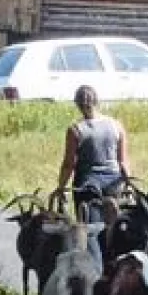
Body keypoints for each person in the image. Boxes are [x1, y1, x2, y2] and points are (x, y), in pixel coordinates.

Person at [56, 85, 131, 232]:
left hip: (87, 186)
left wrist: (61, 187)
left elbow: (69, 164)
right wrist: (128, 183)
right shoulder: (117, 126)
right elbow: (123, 161)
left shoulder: (76, 130)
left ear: (77, 104)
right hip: (114, 183)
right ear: (97, 101)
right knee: (113, 227)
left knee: (90, 230)